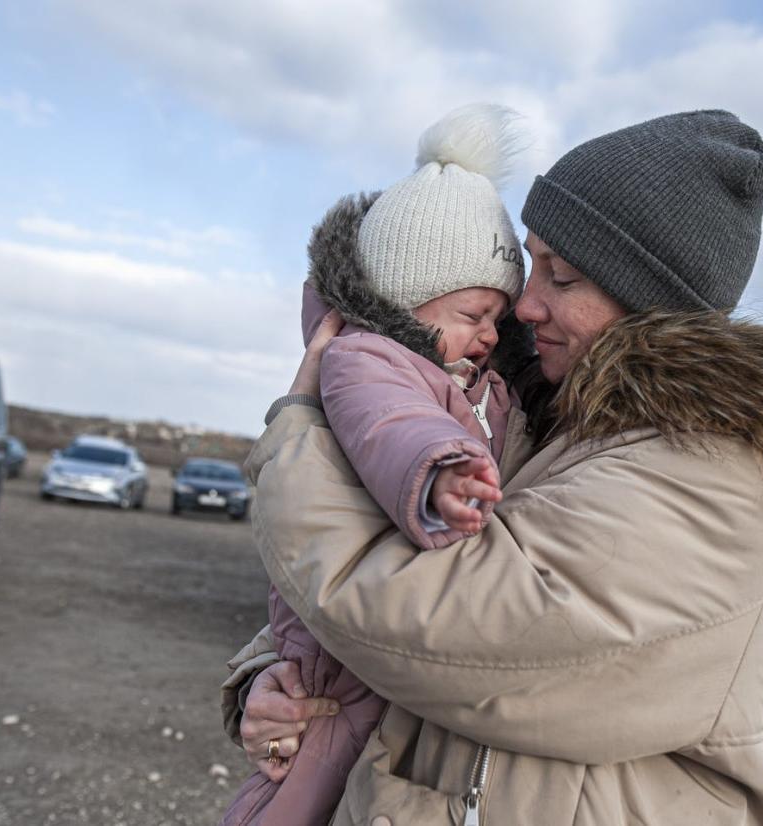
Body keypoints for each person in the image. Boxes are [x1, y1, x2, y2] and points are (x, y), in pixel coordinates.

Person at [223, 110, 763, 825]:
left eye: (561, 277)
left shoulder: (715, 474)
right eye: (532, 261)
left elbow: (431, 628)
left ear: (650, 306)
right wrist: (279, 679)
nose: (525, 305)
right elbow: (382, 563)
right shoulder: (548, 423)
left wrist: (302, 429)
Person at [220, 104, 529, 825]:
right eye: (474, 312)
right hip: (339, 661)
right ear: (407, 300)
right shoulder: (368, 358)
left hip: (376, 641)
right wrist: (443, 472)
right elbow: (395, 426)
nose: (491, 333)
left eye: (498, 318)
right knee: (304, 785)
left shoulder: (481, 385)